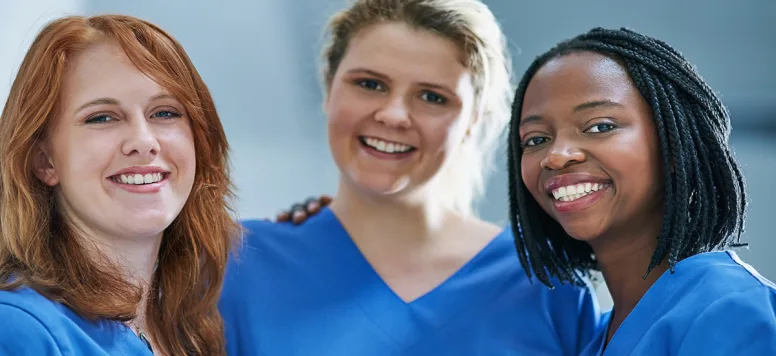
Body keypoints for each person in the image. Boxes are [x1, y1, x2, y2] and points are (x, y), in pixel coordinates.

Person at [219, 0, 599, 355]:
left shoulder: (548, 286)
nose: (394, 115)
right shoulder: (230, 267)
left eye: (432, 97)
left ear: (473, 121)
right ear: (329, 87)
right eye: (370, 84)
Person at [508, 27, 776, 355]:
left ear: (675, 148)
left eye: (600, 127)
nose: (557, 155)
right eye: (536, 139)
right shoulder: (594, 340)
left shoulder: (728, 309)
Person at [0, 15, 238, 355]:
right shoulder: (18, 330)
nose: (144, 141)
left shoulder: (189, 329)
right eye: (102, 117)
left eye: (165, 112)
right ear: (44, 161)